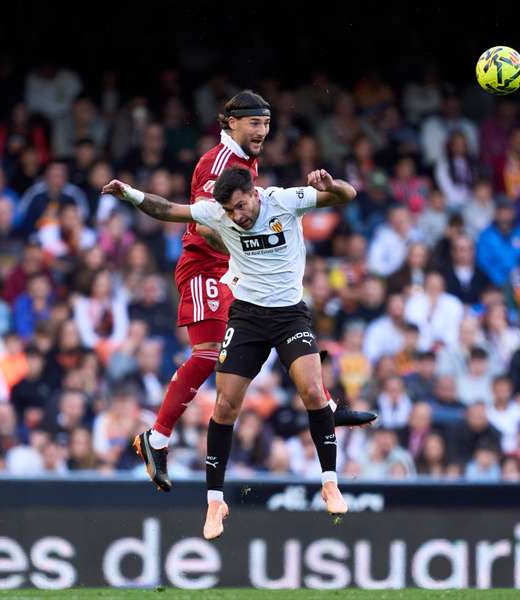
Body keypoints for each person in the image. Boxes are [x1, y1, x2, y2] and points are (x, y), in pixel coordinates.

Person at [122, 92, 375, 496]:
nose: (263, 131)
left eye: (267, 123)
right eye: (255, 123)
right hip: (205, 266)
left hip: (230, 269)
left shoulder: (244, 160)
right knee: (210, 353)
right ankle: (155, 438)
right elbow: (205, 225)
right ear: (231, 123)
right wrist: (245, 249)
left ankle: (325, 406)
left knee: (276, 318)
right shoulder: (219, 164)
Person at [104, 165, 359, 537]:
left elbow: (347, 195)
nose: (237, 216)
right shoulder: (216, 213)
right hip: (247, 316)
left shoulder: (285, 201)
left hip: (289, 316)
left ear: (254, 193)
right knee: (224, 405)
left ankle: (330, 483)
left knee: (312, 390)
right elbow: (167, 209)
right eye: (229, 211)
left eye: (241, 206)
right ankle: (214, 503)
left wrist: (332, 186)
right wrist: (129, 193)